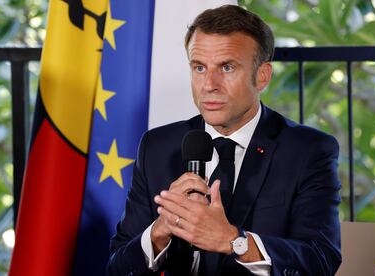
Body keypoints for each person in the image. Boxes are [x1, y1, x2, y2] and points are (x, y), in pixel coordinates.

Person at [107, 5, 341, 276]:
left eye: (227, 67)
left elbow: (321, 261)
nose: (209, 84)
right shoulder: (158, 147)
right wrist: (159, 232)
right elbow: (116, 268)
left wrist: (234, 241)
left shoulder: (308, 150)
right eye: (199, 67)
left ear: (262, 76)